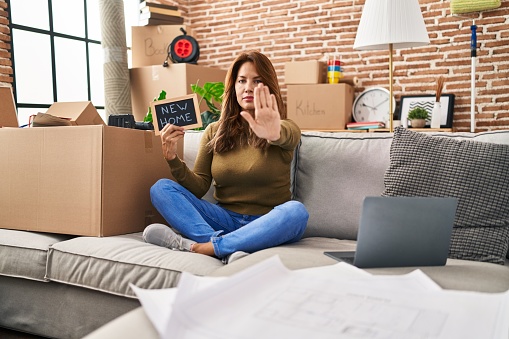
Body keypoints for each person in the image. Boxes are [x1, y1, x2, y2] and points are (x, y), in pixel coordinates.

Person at [143, 50, 309, 264]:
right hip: (224, 219)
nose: (248, 87)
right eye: (241, 81)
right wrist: (173, 158)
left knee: (297, 212)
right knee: (161, 189)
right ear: (234, 87)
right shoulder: (214, 130)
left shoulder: (284, 128)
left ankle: (203, 247)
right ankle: (225, 247)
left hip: (266, 223)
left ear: (268, 87)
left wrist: (273, 132)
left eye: (257, 81)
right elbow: (200, 187)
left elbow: (287, 136)